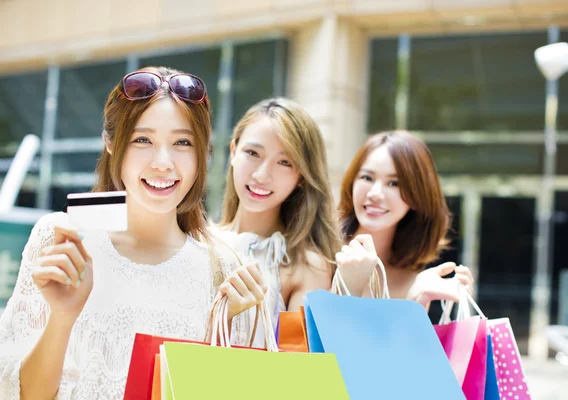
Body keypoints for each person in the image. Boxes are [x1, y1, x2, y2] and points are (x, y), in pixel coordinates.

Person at [0, 67, 265, 399]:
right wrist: (63, 315)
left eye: (183, 142)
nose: (163, 162)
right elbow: (23, 395)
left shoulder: (224, 268)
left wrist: (222, 329)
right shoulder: (62, 238)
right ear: (111, 143)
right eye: (143, 139)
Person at [213, 98, 342, 344]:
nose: (262, 175)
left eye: (284, 162)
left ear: (302, 176)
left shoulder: (304, 266)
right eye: (252, 153)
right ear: (233, 152)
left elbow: (296, 368)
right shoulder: (196, 240)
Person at [335, 131, 473, 308]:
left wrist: (418, 302)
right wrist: (346, 286)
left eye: (394, 183)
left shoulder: (415, 282)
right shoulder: (318, 256)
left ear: (418, 197)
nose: (375, 194)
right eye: (367, 177)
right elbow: (310, 333)